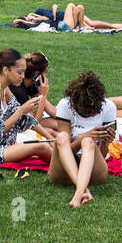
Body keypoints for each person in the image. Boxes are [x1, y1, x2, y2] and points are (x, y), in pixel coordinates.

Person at [49, 70, 116, 208]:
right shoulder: (65, 105)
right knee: (61, 137)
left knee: (88, 142)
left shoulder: (108, 107)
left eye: (94, 109)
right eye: (86, 110)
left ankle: (78, 193)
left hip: (94, 171)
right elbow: (65, 148)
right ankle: (82, 189)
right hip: (65, 169)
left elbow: (102, 155)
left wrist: (106, 141)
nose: (91, 113)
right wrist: (85, 136)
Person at [10, 52, 59, 141]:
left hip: (23, 122)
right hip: (13, 127)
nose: (46, 78)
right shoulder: (18, 90)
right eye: (45, 73)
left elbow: (52, 111)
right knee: (50, 131)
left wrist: (70, 119)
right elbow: (34, 122)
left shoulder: (31, 84)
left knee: (57, 123)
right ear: (37, 75)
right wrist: (42, 96)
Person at [11, 3, 122, 32]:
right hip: (66, 22)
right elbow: (50, 21)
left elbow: (50, 18)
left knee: (88, 20)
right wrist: (29, 20)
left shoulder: (40, 13)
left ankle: (115, 27)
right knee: (72, 5)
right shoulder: (36, 23)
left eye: (30, 17)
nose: (31, 18)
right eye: (29, 19)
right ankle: (82, 27)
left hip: (67, 19)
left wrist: (34, 16)